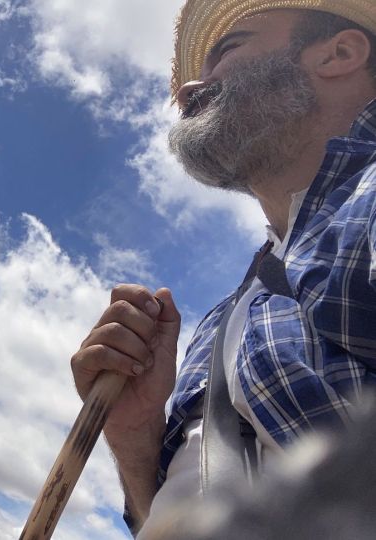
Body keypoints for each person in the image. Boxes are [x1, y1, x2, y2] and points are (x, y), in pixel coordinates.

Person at [70, 1, 376, 536]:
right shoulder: (221, 318)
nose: (189, 89)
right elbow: (161, 518)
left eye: (227, 50)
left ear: (340, 53)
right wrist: (137, 433)